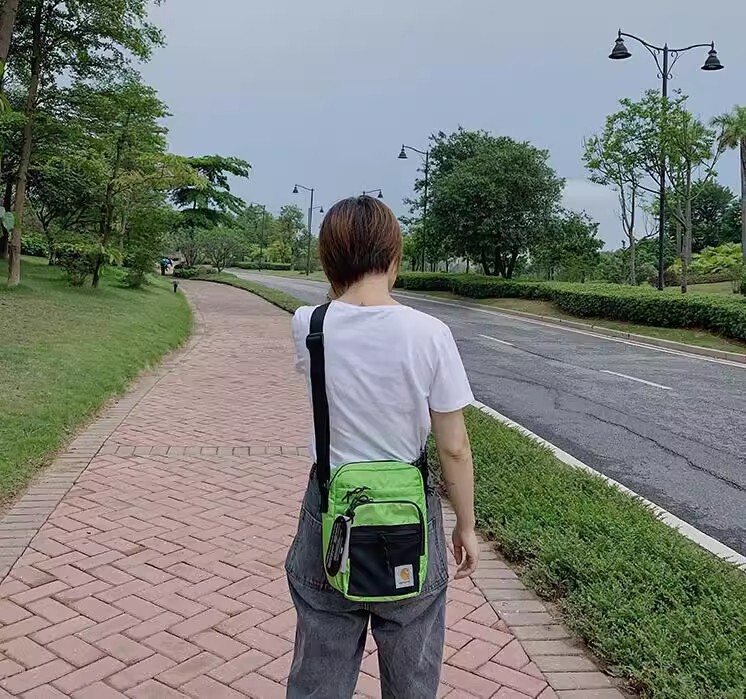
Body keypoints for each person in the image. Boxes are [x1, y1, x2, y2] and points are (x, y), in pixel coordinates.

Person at [286, 196, 478, 698]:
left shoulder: (309, 325)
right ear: (394, 256)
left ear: (330, 258)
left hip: (331, 510)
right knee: (412, 673)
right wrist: (466, 524)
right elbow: (454, 447)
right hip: (408, 513)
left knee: (319, 673)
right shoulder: (431, 333)